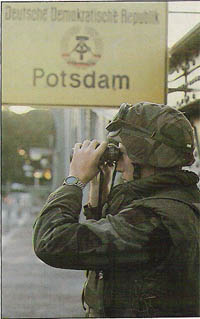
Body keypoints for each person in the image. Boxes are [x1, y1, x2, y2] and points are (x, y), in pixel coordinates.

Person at [33, 102, 200, 318]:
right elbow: (114, 246)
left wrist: (74, 181)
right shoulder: (181, 201)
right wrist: (99, 191)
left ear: (143, 153)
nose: (118, 161)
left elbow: (51, 242)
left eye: (122, 149)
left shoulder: (153, 221)